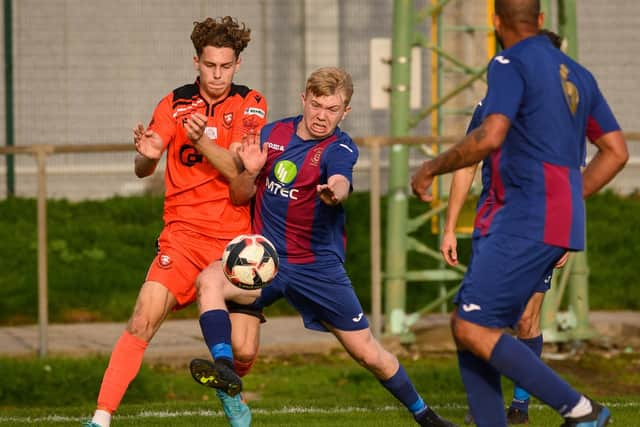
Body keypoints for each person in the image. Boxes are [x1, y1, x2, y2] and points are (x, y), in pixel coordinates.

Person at [189, 67, 458, 427]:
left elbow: (341, 178)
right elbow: (239, 194)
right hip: (265, 263)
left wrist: (335, 191)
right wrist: (250, 172)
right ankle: (223, 370)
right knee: (210, 285)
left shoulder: (340, 147)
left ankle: (426, 417)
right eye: (316, 105)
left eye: (333, 109)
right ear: (304, 99)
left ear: (345, 112)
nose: (322, 116)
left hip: (318, 268)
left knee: (369, 353)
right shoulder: (273, 134)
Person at [411, 1, 629, 426]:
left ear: (496, 22)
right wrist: (568, 197)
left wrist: (431, 167)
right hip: (555, 220)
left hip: (523, 216)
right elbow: (616, 152)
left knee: (474, 327)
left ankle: (580, 410)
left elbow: (490, 136)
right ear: (542, 19)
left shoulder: (509, 62)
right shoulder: (578, 75)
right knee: (471, 323)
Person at [84, 16, 268, 427]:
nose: (217, 74)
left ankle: (231, 390)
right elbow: (142, 169)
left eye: (225, 66)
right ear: (196, 62)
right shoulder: (173, 103)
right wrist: (148, 155)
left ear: (237, 64)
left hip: (232, 245)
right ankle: (100, 419)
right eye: (209, 65)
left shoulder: (250, 103)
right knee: (141, 319)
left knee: (243, 350)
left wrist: (201, 139)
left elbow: (240, 172)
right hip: (181, 237)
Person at [445, 29, 583, 426]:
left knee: (525, 320)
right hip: (495, 227)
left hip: (542, 229)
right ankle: (486, 405)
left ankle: (520, 406)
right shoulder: (490, 108)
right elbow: (466, 166)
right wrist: (451, 226)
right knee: (480, 320)